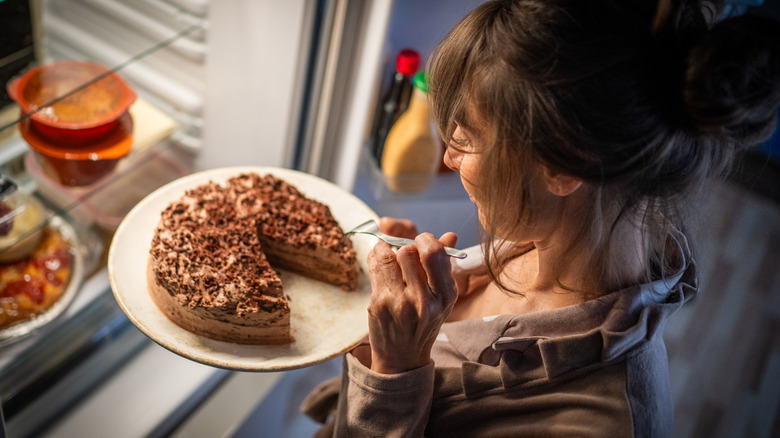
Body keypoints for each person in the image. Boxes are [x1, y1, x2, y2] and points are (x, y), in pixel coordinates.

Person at [301, 0, 780, 436]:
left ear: (563, 166)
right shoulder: (559, 232)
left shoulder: (601, 422)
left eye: (467, 138)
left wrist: (394, 372)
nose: (447, 157)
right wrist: (412, 307)